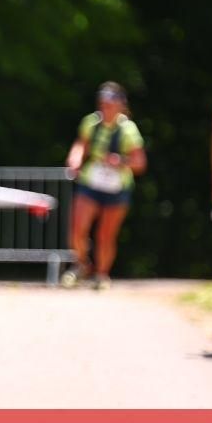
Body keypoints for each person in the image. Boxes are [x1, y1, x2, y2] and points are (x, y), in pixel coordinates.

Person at [61, 82, 147, 290]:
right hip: (91, 182)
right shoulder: (91, 123)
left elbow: (140, 163)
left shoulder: (128, 130)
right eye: (102, 103)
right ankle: (82, 264)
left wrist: (121, 161)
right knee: (77, 229)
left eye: (109, 103)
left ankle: (102, 275)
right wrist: (74, 160)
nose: (105, 107)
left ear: (120, 105)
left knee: (105, 235)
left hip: (117, 187)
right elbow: (81, 145)